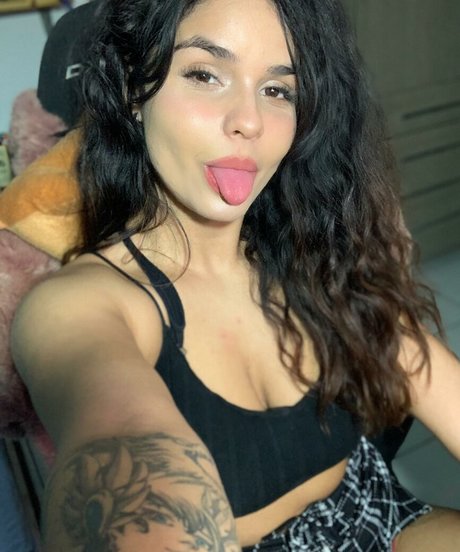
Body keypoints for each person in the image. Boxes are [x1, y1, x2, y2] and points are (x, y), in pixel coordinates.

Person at [11, 0, 460, 550]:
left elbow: (436, 380)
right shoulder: (77, 309)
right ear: (133, 90)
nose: (250, 120)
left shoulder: (314, 254)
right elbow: (119, 449)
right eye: (205, 74)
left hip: (384, 513)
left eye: (277, 90)